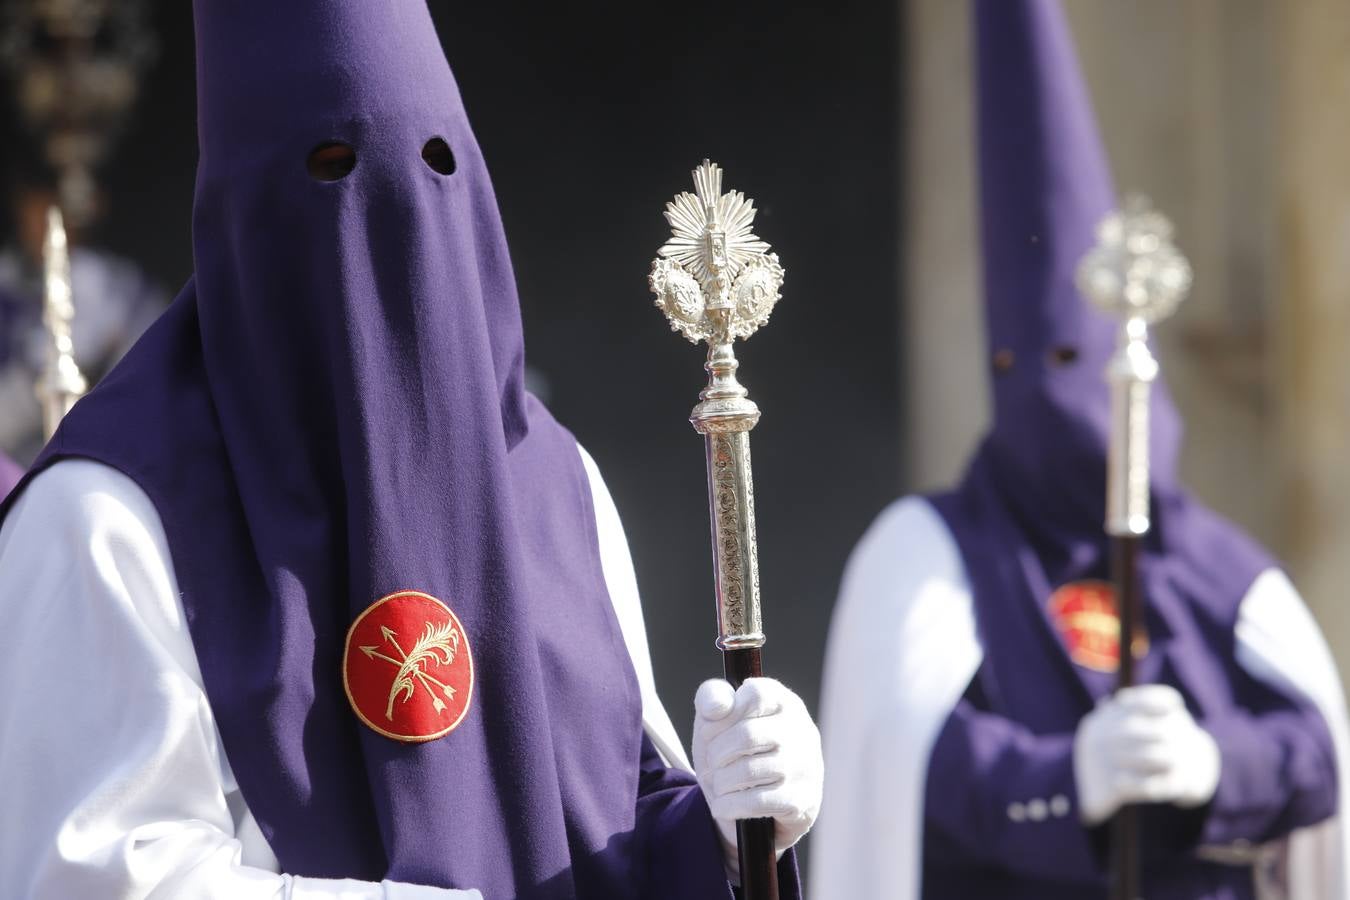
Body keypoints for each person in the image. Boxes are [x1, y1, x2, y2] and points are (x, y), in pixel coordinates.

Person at [0, 2, 821, 898]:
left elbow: (605, 833)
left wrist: (727, 832)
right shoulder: (107, 516)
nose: (387, 221)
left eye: (435, 165)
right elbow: (101, 875)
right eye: (330, 170)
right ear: (241, 217)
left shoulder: (553, 482)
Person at [812, 1, 1347, 898]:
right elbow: (903, 765)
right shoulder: (929, 554)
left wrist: (1214, 765)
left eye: (1087, 367)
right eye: (1037, 366)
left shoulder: (1219, 571)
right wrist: (1066, 780)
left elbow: (1316, 753)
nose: (1068, 400)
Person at [0, 160, 166, 462]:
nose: (51, 218)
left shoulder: (126, 291)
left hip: (105, 462)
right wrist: (41, 372)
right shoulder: (5, 288)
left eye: (63, 203)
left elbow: (153, 398)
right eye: (41, 202)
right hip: (14, 470)